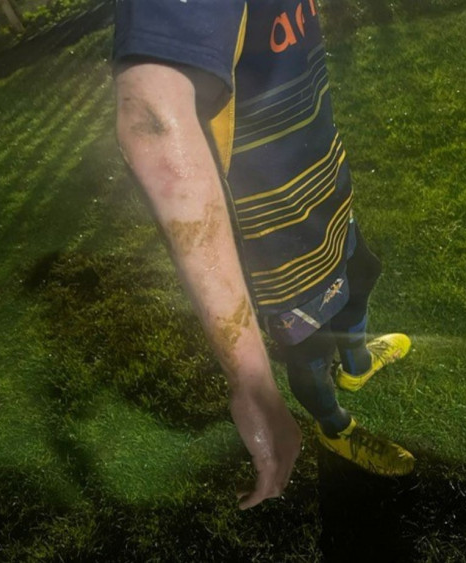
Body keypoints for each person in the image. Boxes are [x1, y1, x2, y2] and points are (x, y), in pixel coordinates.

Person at [112, 0, 414, 510]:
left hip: (326, 194)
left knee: (361, 277)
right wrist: (252, 382)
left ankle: (358, 366)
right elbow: (150, 114)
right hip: (278, 243)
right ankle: (334, 427)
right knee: (310, 352)